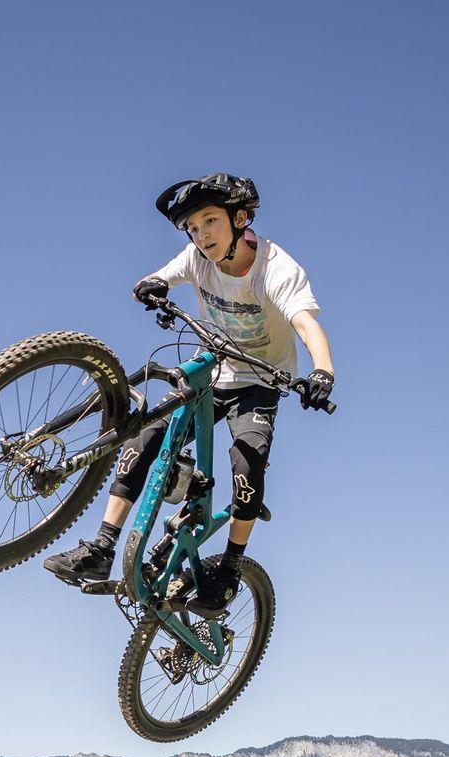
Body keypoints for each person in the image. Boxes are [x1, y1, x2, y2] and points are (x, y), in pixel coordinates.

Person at [42, 174, 334, 608]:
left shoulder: (276, 268)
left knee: (248, 462)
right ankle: (102, 547)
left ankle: (230, 568)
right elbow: (155, 278)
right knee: (146, 433)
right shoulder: (196, 258)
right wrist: (150, 286)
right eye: (192, 228)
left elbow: (306, 324)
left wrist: (322, 372)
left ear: (240, 219)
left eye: (210, 221)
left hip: (260, 382)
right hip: (211, 371)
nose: (201, 235)